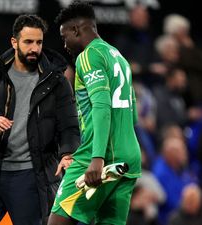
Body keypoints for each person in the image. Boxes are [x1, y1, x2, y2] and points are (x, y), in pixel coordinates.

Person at [0, 14, 80, 225]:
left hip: (30, 177)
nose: (34, 48)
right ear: (14, 42)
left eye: (39, 42)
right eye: (28, 42)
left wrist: (68, 152)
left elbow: (69, 126)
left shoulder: (57, 81)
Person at [48, 2, 141, 225]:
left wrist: (97, 159)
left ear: (76, 31)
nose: (64, 44)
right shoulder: (118, 56)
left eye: (64, 37)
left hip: (98, 158)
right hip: (128, 159)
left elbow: (102, 107)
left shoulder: (88, 57)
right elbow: (133, 113)